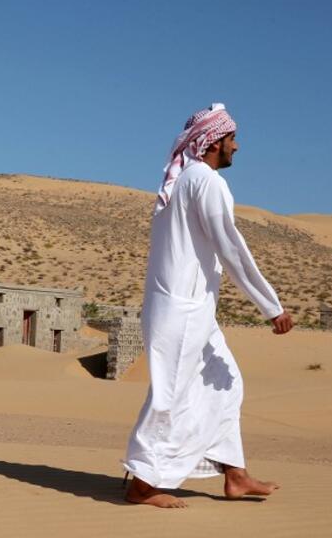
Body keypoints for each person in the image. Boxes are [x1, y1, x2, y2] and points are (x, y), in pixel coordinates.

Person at [123, 104, 293, 508]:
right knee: (171, 398)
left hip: (192, 310)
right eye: (232, 138)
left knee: (227, 383)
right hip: (180, 311)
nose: (238, 146)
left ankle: (235, 475)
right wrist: (271, 306)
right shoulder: (204, 182)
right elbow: (231, 247)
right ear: (214, 143)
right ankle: (142, 484)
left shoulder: (183, 182)